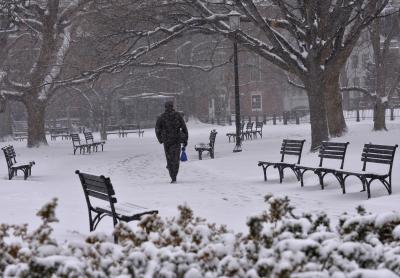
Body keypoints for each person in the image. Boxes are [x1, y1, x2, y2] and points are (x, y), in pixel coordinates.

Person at [155, 101, 188, 183]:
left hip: (167, 141)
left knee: (169, 158)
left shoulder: (162, 117)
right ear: (172, 106)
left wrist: (161, 139)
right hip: (176, 140)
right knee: (176, 159)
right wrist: (185, 140)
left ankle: (172, 174)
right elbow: (184, 128)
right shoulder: (177, 116)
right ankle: (174, 174)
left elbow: (157, 129)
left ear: (165, 107)